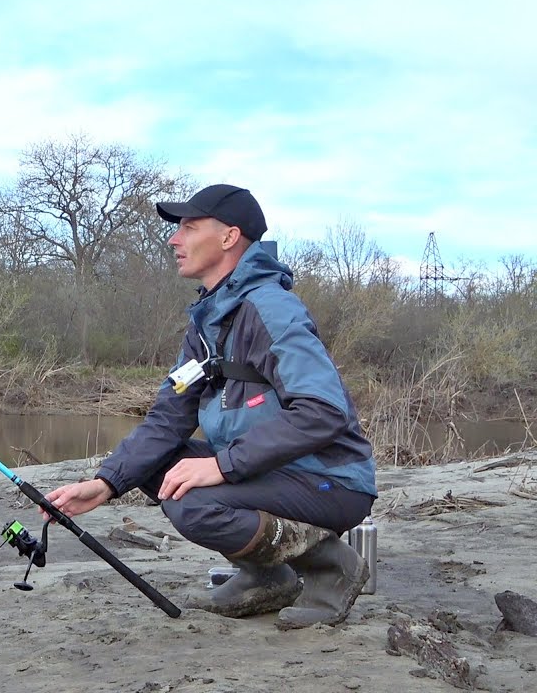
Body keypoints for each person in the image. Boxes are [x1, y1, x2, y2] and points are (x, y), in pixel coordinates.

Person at [44, 184, 375, 629]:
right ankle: (267, 577)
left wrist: (222, 465)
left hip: (330, 480)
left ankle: (331, 567)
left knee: (195, 504)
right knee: (155, 467)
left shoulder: (271, 309)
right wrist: (106, 483)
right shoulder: (208, 322)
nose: (174, 239)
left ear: (228, 237)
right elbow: (167, 418)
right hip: (270, 472)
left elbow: (323, 411)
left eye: (188, 226)